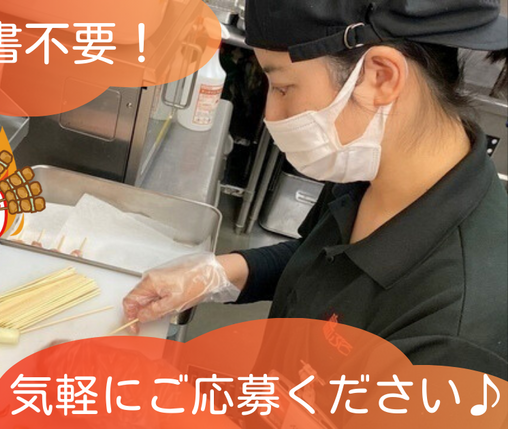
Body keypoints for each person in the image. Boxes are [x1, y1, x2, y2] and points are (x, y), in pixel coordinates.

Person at [123, 0, 508, 380]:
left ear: (381, 77)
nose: (271, 115)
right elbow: (320, 262)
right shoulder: (373, 161)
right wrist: (218, 274)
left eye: (283, 87)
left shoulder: (455, 335)